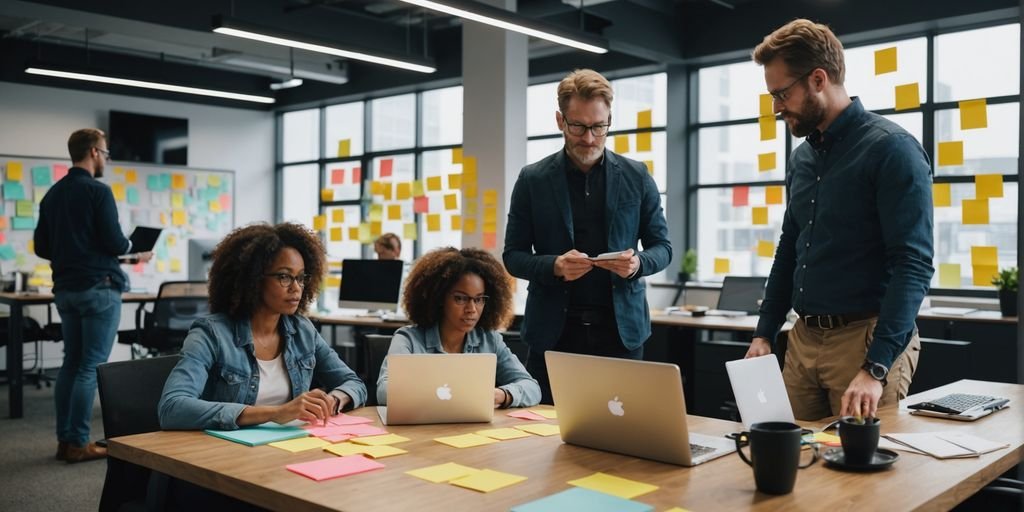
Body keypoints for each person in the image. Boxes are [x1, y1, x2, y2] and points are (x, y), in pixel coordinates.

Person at [744, 19, 933, 421]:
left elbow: (912, 265)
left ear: (818, 79)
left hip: (864, 342)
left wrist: (876, 367)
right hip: (803, 340)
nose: (776, 107)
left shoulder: (892, 150)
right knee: (788, 453)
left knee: (862, 462)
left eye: (781, 94)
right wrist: (765, 333)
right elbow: (789, 249)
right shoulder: (802, 158)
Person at [503, 68, 672, 404]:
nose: (590, 138)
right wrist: (554, 266)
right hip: (553, 332)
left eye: (599, 127)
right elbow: (513, 256)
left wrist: (637, 264)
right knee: (543, 427)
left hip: (621, 333)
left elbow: (662, 248)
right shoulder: (532, 179)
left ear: (609, 121)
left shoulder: (637, 176)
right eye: (578, 127)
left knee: (620, 428)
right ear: (560, 120)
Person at [159, 222, 366, 431]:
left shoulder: (303, 331)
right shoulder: (211, 333)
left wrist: (333, 401)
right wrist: (276, 413)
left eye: (301, 278)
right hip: (228, 447)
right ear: (253, 279)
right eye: (284, 277)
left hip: (289, 444)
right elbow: (172, 408)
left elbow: (353, 382)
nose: (296, 287)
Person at [35, 128, 154, 463]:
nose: (106, 159)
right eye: (105, 153)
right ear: (93, 152)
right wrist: (133, 248)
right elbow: (115, 242)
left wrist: (73, 254)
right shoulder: (97, 191)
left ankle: (65, 441)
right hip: (99, 289)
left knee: (71, 364)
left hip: (66, 289)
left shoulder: (52, 195)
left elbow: (41, 247)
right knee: (90, 366)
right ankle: (78, 443)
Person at [377, 247, 540, 408]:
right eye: (460, 299)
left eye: (478, 299)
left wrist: (502, 395)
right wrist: (432, 395)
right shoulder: (408, 340)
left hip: (474, 425)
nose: (472, 309)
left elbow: (531, 387)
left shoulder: (490, 340)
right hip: (423, 424)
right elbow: (384, 391)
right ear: (439, 298)